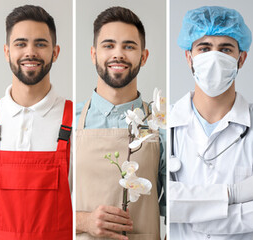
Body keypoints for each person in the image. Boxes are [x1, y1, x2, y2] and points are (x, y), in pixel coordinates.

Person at [167, 6, 253, 240]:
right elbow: (162, 200)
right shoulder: (164, 123)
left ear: (242, 58)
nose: (214, 57)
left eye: (225, 49)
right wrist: (234, 194)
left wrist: (189, 213)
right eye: (204, 48)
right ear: (189, 57)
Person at [0, 4, 73, 240]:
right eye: (20, 43)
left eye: (40, 44)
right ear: (6, 51)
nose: (30, 52)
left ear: (56, 52)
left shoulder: (76, 120)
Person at [74, 6, 165, 240]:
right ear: (93, 54)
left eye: (129, 46)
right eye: (109, 45)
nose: (119, 54)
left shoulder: (161, 124)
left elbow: (176, 210)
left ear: (143, 57)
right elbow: (43, 209)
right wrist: (83, 221)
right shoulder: (68, 120)